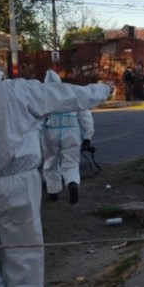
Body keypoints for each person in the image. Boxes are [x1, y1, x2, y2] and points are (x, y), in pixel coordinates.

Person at [0, 43, 112, 287]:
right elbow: (71, 95)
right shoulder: (20, 91)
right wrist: (104, 89)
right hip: (18, 185)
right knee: (24, 257)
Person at [42, 70, 95, 205]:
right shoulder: (71, 94)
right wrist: (88, 136)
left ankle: (53, 191)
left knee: (50, 161)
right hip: (71, 132)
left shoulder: (43, 97)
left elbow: (37, 120)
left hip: (50, 132)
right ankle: (72, 183)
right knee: (71, 161)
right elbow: (85, 116)